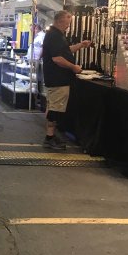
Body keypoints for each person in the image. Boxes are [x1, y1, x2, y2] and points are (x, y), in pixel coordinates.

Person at [42, 10, 91, 150]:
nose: (68, 26)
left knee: (54, 108)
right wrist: (73, 67)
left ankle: (51, 136)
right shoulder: (54, 35)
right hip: (57, 79)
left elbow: (64, 51)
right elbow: (57, 58)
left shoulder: (57, 35)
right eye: (67, 23)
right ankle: (49, 138)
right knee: (55, 110)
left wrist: (80, 45)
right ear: (60, 21)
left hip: (58, 79)